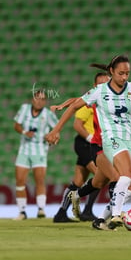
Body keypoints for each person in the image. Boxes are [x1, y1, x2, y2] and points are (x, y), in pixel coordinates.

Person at [45, 54, 131, 230]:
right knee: (119, 177)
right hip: (100, 142)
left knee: (104, 183)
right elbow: (75, 103)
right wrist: (58, 120)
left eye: (127, 73)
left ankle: (87, 207)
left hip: (124, 142)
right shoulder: (99, 94)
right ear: (112, 72)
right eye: (121, 73)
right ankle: (114, 215)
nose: (124, 77)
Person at [52, 72, 110, 222]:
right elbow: (77, 124)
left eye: (106, 82)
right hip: (86, 144)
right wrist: (91, 137)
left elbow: (74, 99)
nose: (104, 86)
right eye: (100, 83)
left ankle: (61, 213)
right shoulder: (91, 103)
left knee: (78, 181)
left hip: (92, 144)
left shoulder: (106, 101)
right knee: (101, 175)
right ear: (94, 86)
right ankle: (87, 211)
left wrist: (62, 104)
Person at [13, 89, 59, 220]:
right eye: (37, 98)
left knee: (39, 180)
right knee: (20, 181)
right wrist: (24, 132)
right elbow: (16, 125)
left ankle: (41, 210)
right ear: (32, 99)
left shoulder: (48, 114)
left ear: (45, 102)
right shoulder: (24, 109)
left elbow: (57, 128)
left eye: (43, 99)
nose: (39, 102)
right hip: (24, 149)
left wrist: (53, 138)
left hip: (40, 150)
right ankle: (22, 212)